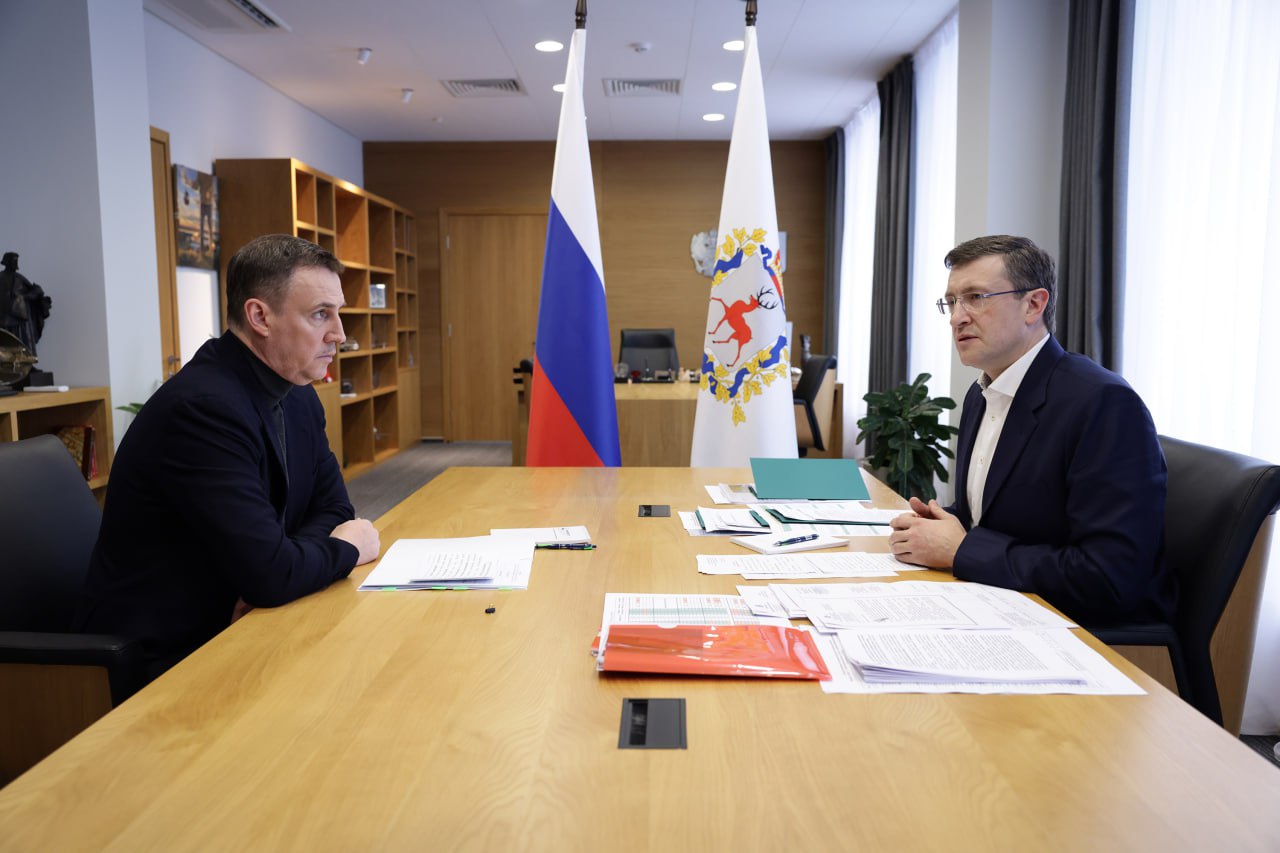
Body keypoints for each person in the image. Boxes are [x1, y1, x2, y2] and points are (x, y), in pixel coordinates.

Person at [76, 234, 380, 681]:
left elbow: (333, 508)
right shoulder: (202, 410)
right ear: (260, 316)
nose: (339, 333)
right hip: (166, 656)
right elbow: (281, 568)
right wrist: (346, 548)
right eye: (321, 314)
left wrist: (284, 564)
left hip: (246, 619)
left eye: (337, 313)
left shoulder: (298, 395)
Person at [887, 235, 1174, 625]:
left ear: (1034, 305)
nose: (957, 318)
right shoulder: (981, 393)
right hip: (994, 604)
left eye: (975, 298)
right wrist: (936, 526)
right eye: (951, 302)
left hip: (1081, 634)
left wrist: (962, 549)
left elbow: (1110, 577)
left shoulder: (1102, 403)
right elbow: (993, 519)